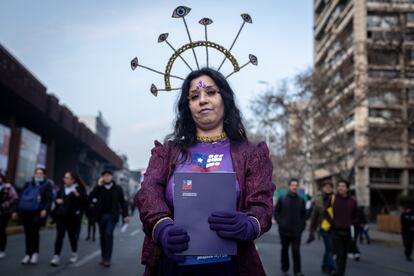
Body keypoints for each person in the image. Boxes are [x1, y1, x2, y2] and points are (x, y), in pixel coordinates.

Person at [135, 68, 275, 276]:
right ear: (188, 106)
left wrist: (250, 223)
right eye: (194, 96)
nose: (202, 100)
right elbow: (148, 193)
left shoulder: (251, 154)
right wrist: (162, 227)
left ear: (225, 99)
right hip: (174, 266)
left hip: (231, 268)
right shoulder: (168, 153)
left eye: (210, 92)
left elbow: (262, 204)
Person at [13, 167, 53, 264]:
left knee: (34, 232)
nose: (38, 175)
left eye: (40, 173)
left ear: (44, 175)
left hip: (38, 212)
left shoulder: (47, 185)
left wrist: (45, 210)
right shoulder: (28, 184)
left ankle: (35, 254)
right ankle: (27, 254)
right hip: (27, 212)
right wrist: (16, 211)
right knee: (27, 233)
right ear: (34, 174)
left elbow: (48, 199)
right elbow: (21, 198)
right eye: (37, 173)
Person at [90, 170, 129, 267]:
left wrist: (125, 215)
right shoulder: (100, 188)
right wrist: (98, 186)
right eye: (105, 176)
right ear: (102, 177)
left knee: (108, 235)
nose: (107, 177)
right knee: (102, 236)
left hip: (112, 216)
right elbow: (91, 197)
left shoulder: (117, 189)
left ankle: (108, 259)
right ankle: (103, 257)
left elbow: (123, 203)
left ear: (111, 177)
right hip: (101, 216)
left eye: (109, 176)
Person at [50, 171, 87, 266]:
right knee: (59, 236)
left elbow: (85, 201)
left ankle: (74, 253)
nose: (65, 179)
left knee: (72, 236)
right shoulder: (62, 188)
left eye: (67, 178)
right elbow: (57, 198)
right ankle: (56, 256)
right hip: (62, 216)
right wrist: (57, 200)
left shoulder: (79, 189)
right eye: (64, 177)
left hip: (72, 217)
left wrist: (77, 195)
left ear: (73, 180)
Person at [274, 179, 306, 276]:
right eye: (292, 185)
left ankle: (297, 271)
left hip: (297, 231)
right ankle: (285, 268)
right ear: (289, 186)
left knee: (296, 250)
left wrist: (301, 227)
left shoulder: (301, 200)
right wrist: (280, 223)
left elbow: (304, 215)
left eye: (296, 185)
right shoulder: (282, 198)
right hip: (284, 231)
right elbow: (276, 212)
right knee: (285, 250)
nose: (294, 187)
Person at [308, 181, 336, 275]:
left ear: (332, 188)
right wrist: (312, 230)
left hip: (335, 227)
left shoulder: (335, 199)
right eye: (326, 186)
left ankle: (324, 265)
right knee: (330, 248)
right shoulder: (319, 200)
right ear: (323, 188)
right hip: (324, 228)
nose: (328, 188)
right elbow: (314, 216)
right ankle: (332, 268)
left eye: (330, 186)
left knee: (329, 248)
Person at [331, 179, 357, 276]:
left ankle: (340, 272)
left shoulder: (352, 201)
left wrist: (351, 223)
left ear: (347, 188)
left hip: (347, 231)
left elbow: (355, 216)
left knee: (344, 255)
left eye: (343, 186)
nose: (340, 188)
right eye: (339, 186)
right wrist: (333, 223)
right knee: (340, 254)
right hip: (336, 231)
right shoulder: (333, 199)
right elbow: (327, 213)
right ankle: (339, 272)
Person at [0, 173, 18, 259]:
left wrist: (7, 206)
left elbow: (14, 199)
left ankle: (2, 250)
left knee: (1, 230)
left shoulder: (8, 187)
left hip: (4, 212)